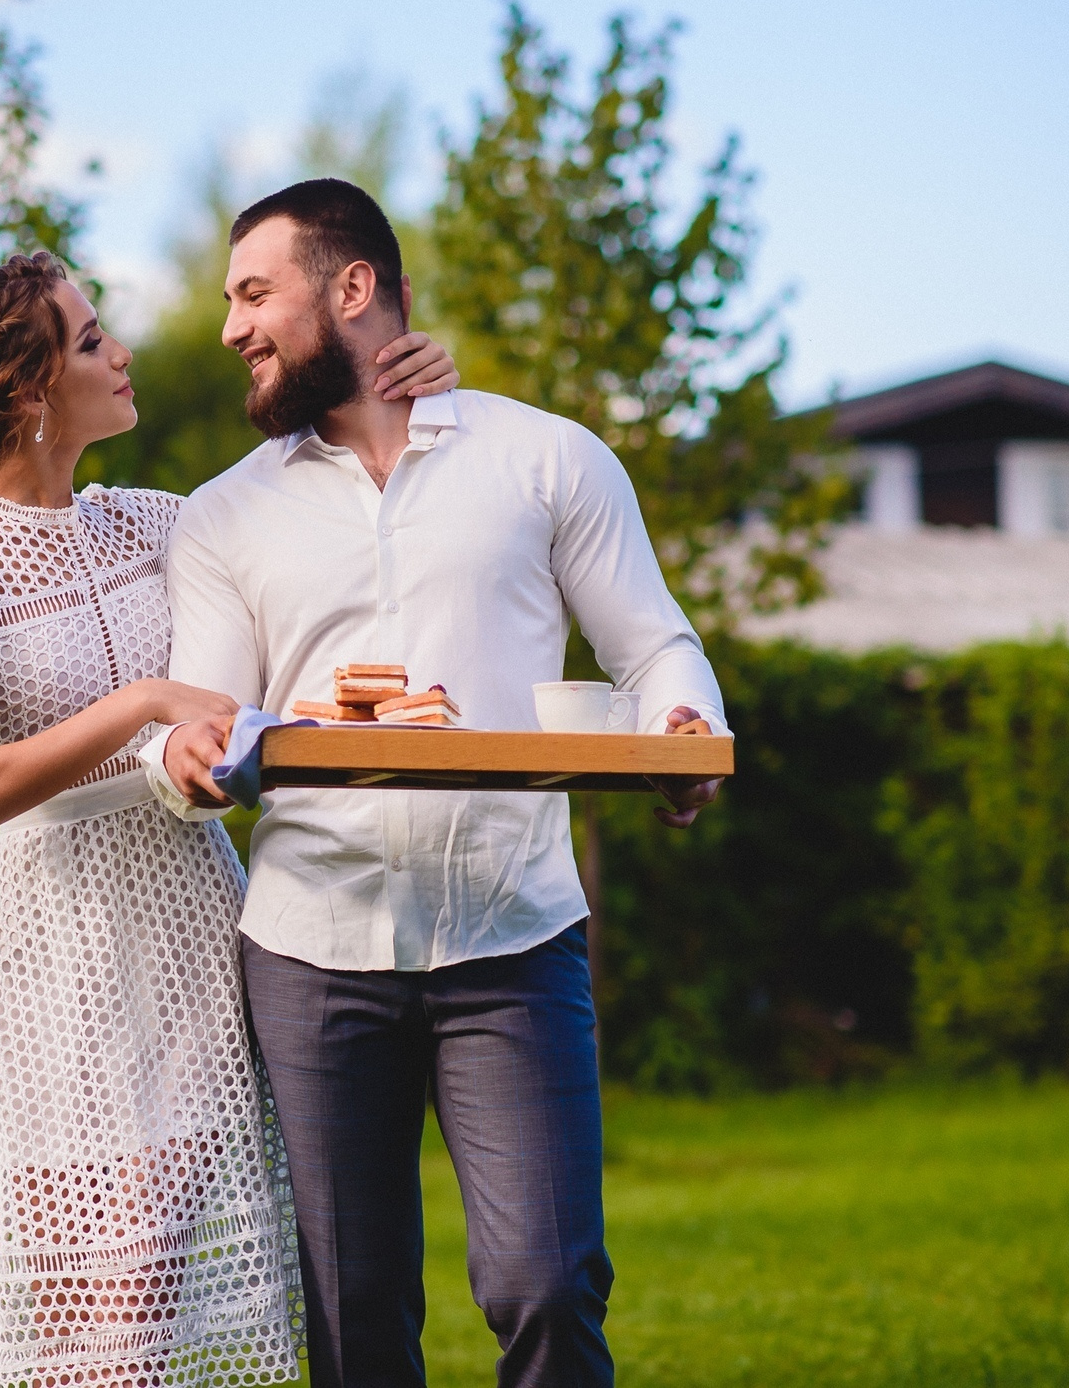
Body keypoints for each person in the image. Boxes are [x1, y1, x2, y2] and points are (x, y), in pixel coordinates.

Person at [146, 178, 727, 1388]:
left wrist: (681, 723)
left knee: (548, 1286)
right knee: (355, 1324)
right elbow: (204, 714)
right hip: (310, 955)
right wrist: (187, 759)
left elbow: (655, 642)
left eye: (254, 293)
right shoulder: (221, 517)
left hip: (512, 940)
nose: (230, 326)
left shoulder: (547, 458)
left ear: (350, 288)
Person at [0, 252, 460, 1387]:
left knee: (164, 1275)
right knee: (91, 1305)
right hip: (58, 939)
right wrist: (142, 703)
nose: (124, 351)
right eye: (93, 338)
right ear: (29, 386)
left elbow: (314, 481)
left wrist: (410, 394)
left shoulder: (158, 520)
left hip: (193, 918)